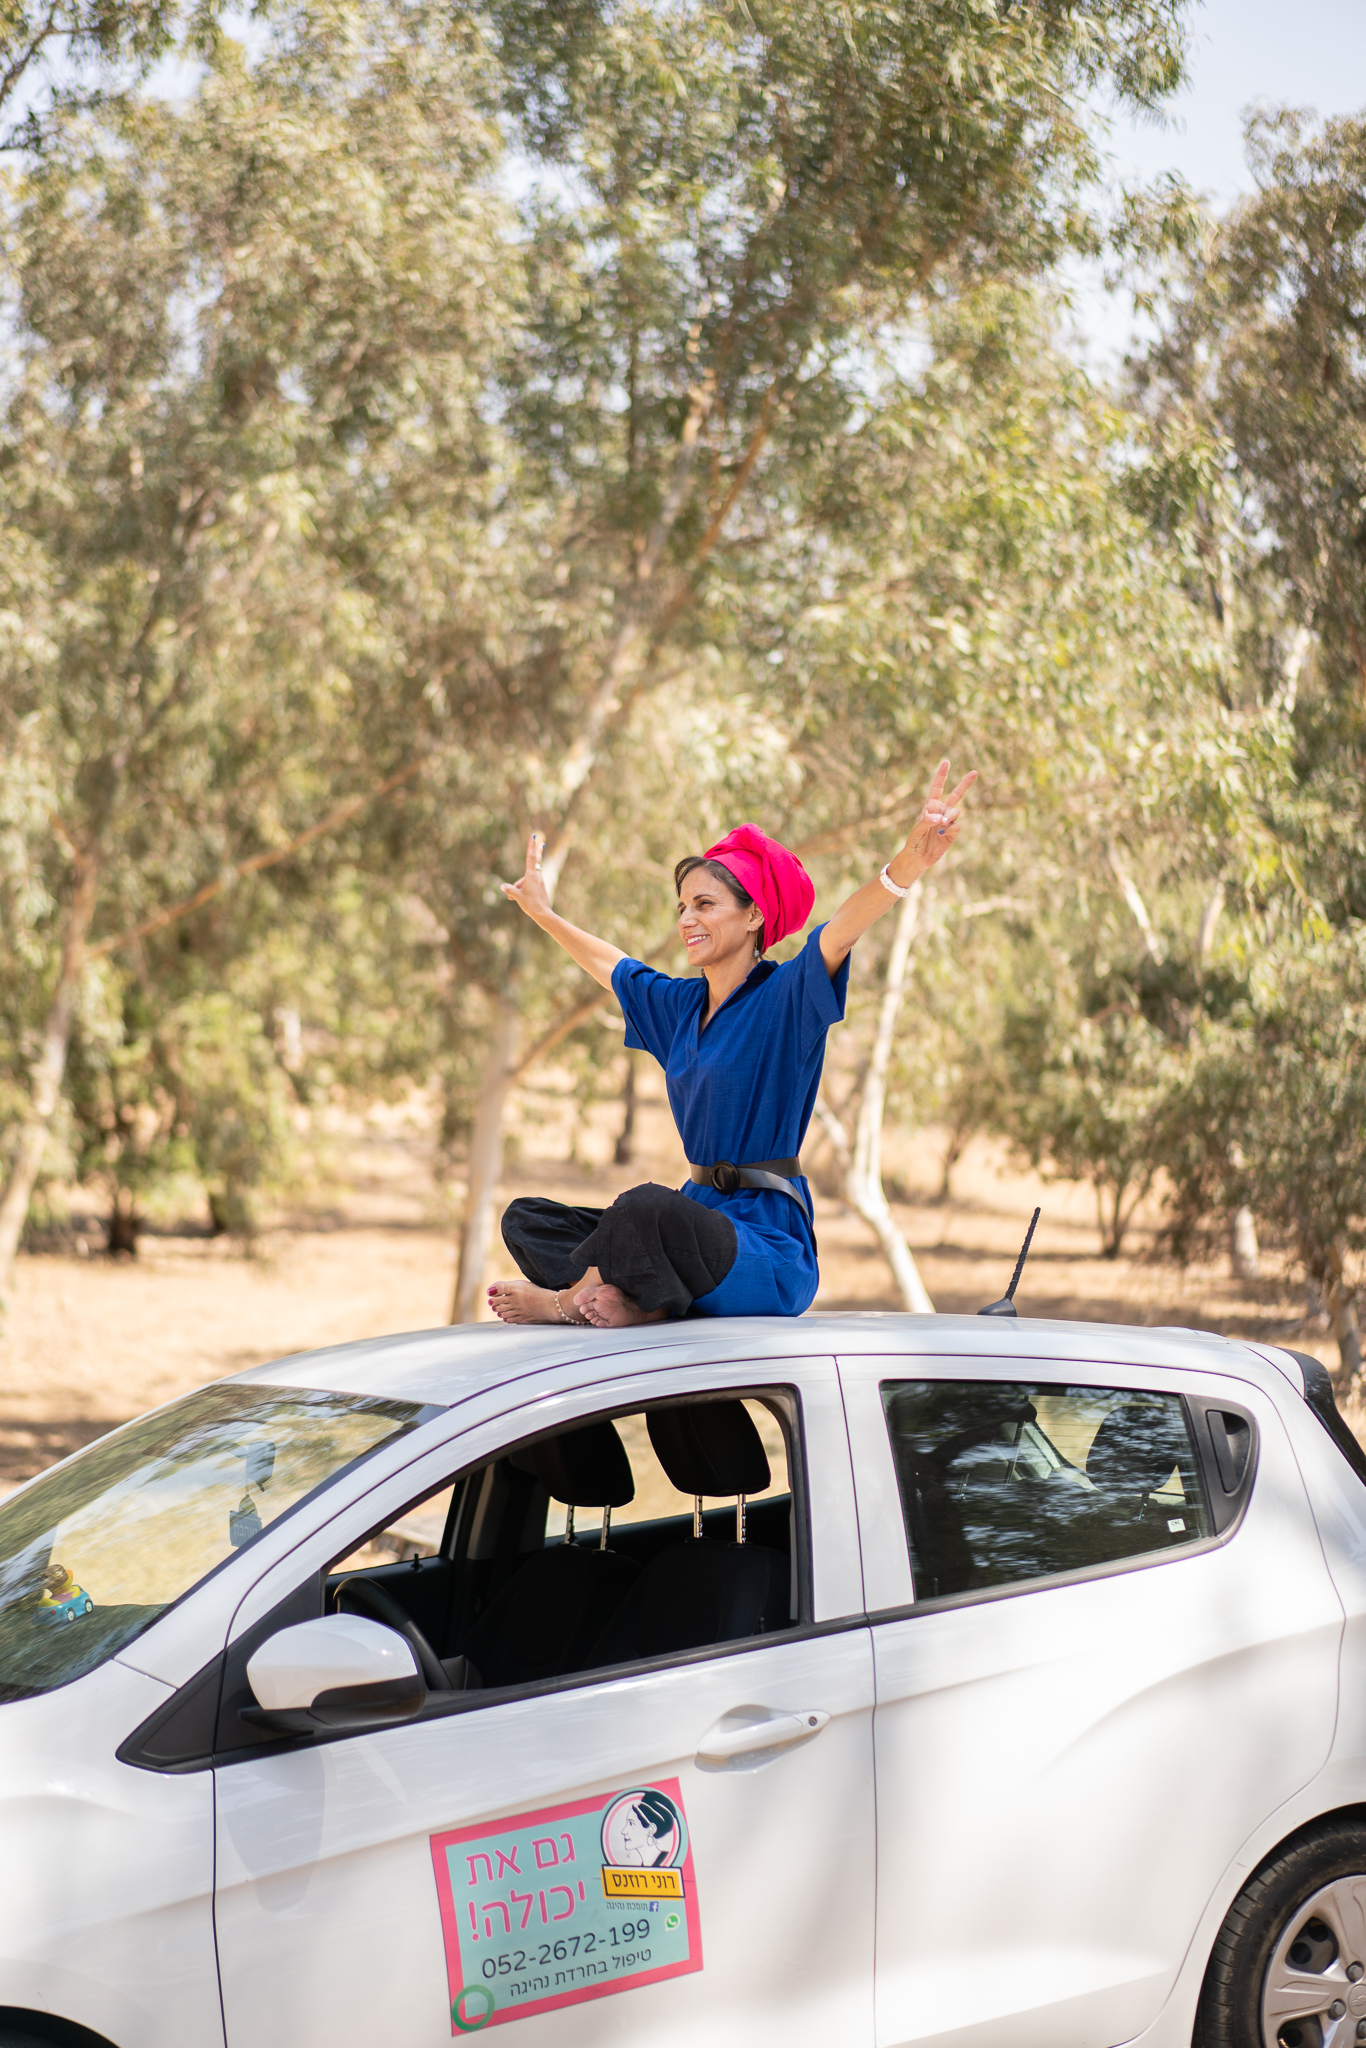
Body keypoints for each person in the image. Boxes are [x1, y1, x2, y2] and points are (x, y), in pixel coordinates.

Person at [488, 759, 976, 1330]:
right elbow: (612, 965)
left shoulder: (786, 998)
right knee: (530, 1220)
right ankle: (644, 1299)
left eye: (705, 904)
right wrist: (543, 914)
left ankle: (571, 1302)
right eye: (683, 906)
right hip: (692, 1221)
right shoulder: (679, 1008)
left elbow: (843, 927)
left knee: (644, 1210)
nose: (687, 919)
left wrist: (909, 864)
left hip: (765, 1247)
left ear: (753, 917)